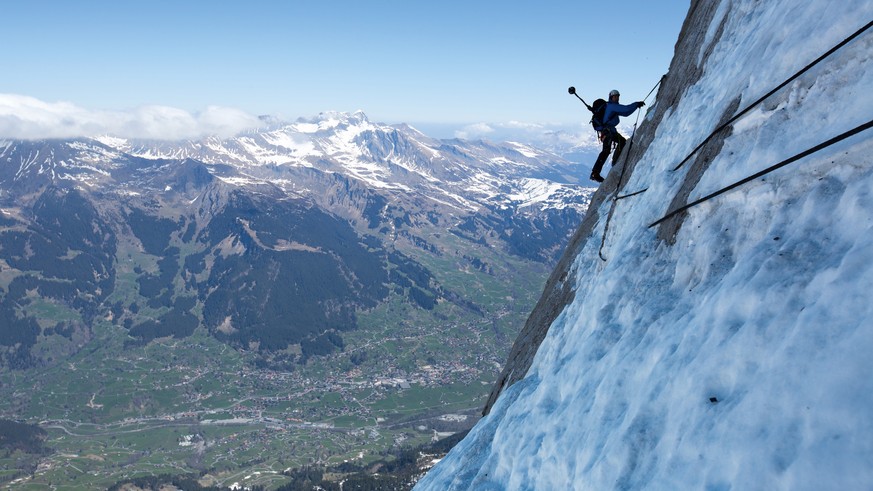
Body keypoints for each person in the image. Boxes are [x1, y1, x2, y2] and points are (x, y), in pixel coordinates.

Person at [590, 89, 645, 183]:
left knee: (621, 142)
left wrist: (636, 106)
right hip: (608, 132)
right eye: (615, 96)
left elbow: (626, 113)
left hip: (610, 132)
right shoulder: (611, 106)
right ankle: (595, 173)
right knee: (606, 151)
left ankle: (615, 162)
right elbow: (626, 109)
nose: (617, 98)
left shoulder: (612, 107)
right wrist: (636, 104)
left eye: (617, 96)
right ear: (611, 97)